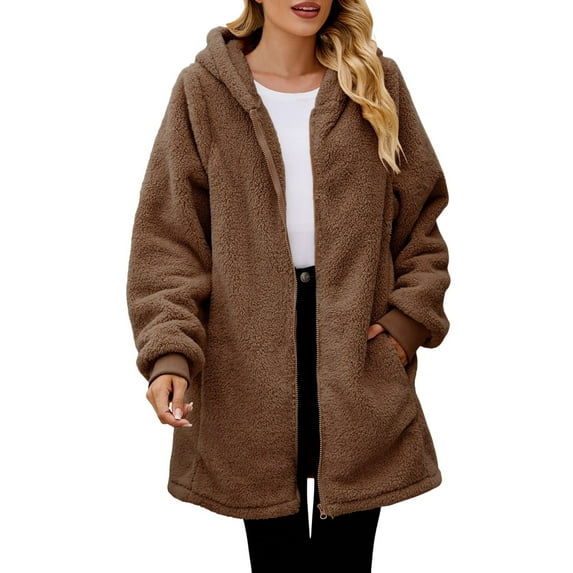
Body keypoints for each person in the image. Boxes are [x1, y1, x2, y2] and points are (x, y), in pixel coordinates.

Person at [127, 0, 450, 571]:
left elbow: (420, 221)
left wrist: (404, 327)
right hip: (245, 360)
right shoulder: (203, 92)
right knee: (276, 562)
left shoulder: (374, 81)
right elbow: (170, 240)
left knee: (346, 560)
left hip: (357, 349)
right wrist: (169, 354)